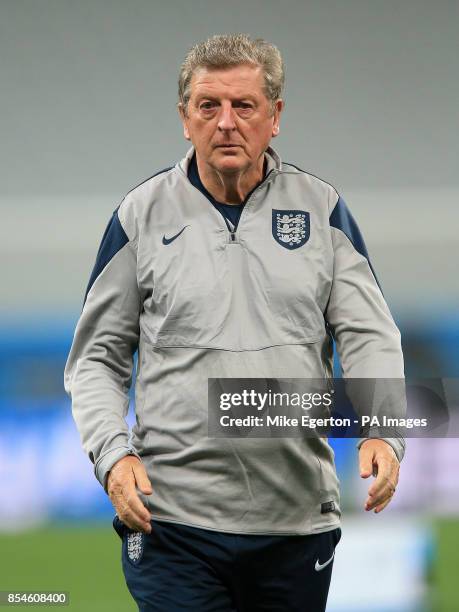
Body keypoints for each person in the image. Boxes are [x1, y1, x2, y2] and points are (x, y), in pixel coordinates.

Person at [64, 33, 404, 611]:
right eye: (208, 106)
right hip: (172, 522)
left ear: (274, 117)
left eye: (243, 106)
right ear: (184, 118)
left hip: (296, 521)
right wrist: (112, 455)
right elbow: (95, 357)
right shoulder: (139, 217)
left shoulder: (323, 212)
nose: (225, 122)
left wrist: (383, 429)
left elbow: (369, 334)